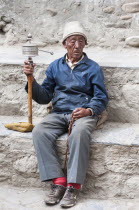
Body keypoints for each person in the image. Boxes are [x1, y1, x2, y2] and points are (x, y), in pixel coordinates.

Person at [23, 21, 108, 208]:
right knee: (40, 132)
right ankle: (58, 181)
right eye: (72, 41)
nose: (76, 46)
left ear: (85, 44)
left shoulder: (93, 68)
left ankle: (73, 186)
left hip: (83, 114)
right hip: (60, 112)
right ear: (64, 44)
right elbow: (44, 97)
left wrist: (88, 110)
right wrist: (31, 80)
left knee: (79, 133)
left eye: (81, 41)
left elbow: (101, 97)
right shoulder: (54, 66)